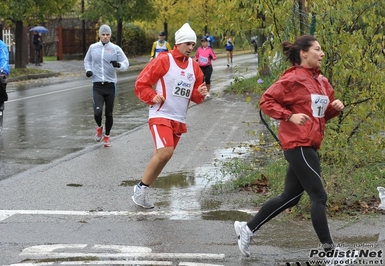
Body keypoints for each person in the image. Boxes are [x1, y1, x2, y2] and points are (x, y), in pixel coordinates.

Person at [234, 35, 346, 260]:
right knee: (318, 195)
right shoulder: (293, 78)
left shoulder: (322, 82)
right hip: (298, 144)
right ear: (303, 53)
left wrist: (335, 108)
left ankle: (247, 228)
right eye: (317, 49)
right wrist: (290, 116)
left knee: (290, 197)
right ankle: (330, 252)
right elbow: (266, 101)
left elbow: (320, 117)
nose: (322, 53)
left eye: (321, 49)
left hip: (310, 144)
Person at [132, 23, 208, 209]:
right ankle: (140, 189)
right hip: (160, 114)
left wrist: (202, 93)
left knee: (164, 155)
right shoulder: (164, 60)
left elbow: (196, 97)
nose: (191, 48)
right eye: (188, 44)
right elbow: (141, 85)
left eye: (193, 44)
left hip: (179, 119)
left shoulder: (195, 67)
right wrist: (153, 96)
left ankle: (142, 191)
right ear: (179, 42)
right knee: (166, 151)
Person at [84, 24, 129, 147]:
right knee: (97, 112)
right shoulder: (93, 48)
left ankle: (107, 136)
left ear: (110, 35)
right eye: (103, 34)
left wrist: (119, 65)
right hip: (97, 85)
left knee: (108, 113)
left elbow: (126, 63)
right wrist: (88, 70)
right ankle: (99, 127)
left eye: (107, 34)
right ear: (99, 35)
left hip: (110, 85)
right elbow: (87, 60)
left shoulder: (115, 48)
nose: (105, 37)